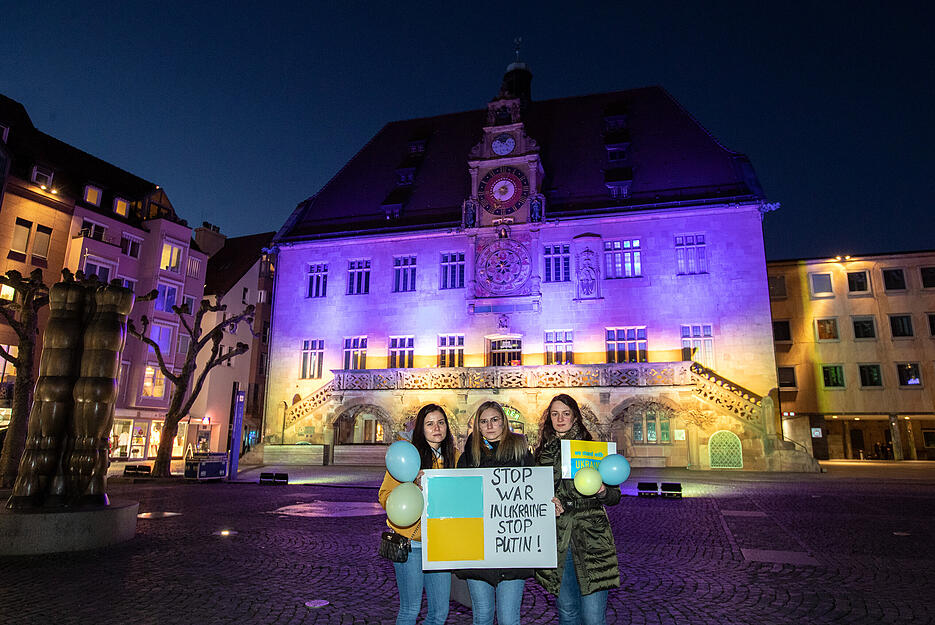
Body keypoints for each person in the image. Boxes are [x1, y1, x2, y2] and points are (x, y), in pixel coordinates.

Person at [534, 394, 621, 625]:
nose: (560, 418)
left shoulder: (591, 450)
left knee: (593, 616)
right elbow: (532, 495)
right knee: (567, 611)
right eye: (554, 414)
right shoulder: (542, 453)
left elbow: (614, 496)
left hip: (592, 537)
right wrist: (546, 502)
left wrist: (602, 490)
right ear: (549, 418)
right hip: (557, 537)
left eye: (565, 413)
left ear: (575, 417)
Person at [378, 404, 458, 625]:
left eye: (441, 423)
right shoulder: (407, 455)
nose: (436, 428)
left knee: (439, 613)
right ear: (421, 429)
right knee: (410, 609)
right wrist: (410, 485)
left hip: (441, 545)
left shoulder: (456, 457)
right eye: (430, 423)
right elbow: (384, 496)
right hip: (410, 543)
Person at [456, 401, 534, 625]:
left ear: (504, 422)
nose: (489, 426)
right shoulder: (470, 455)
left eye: (494, 420)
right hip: (478, 545)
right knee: (482, 616)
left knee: (509, 619)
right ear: (477, 426)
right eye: (483, 421)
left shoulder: (520, 450)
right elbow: (458, 493)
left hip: (512, 545)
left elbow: (533, 490)